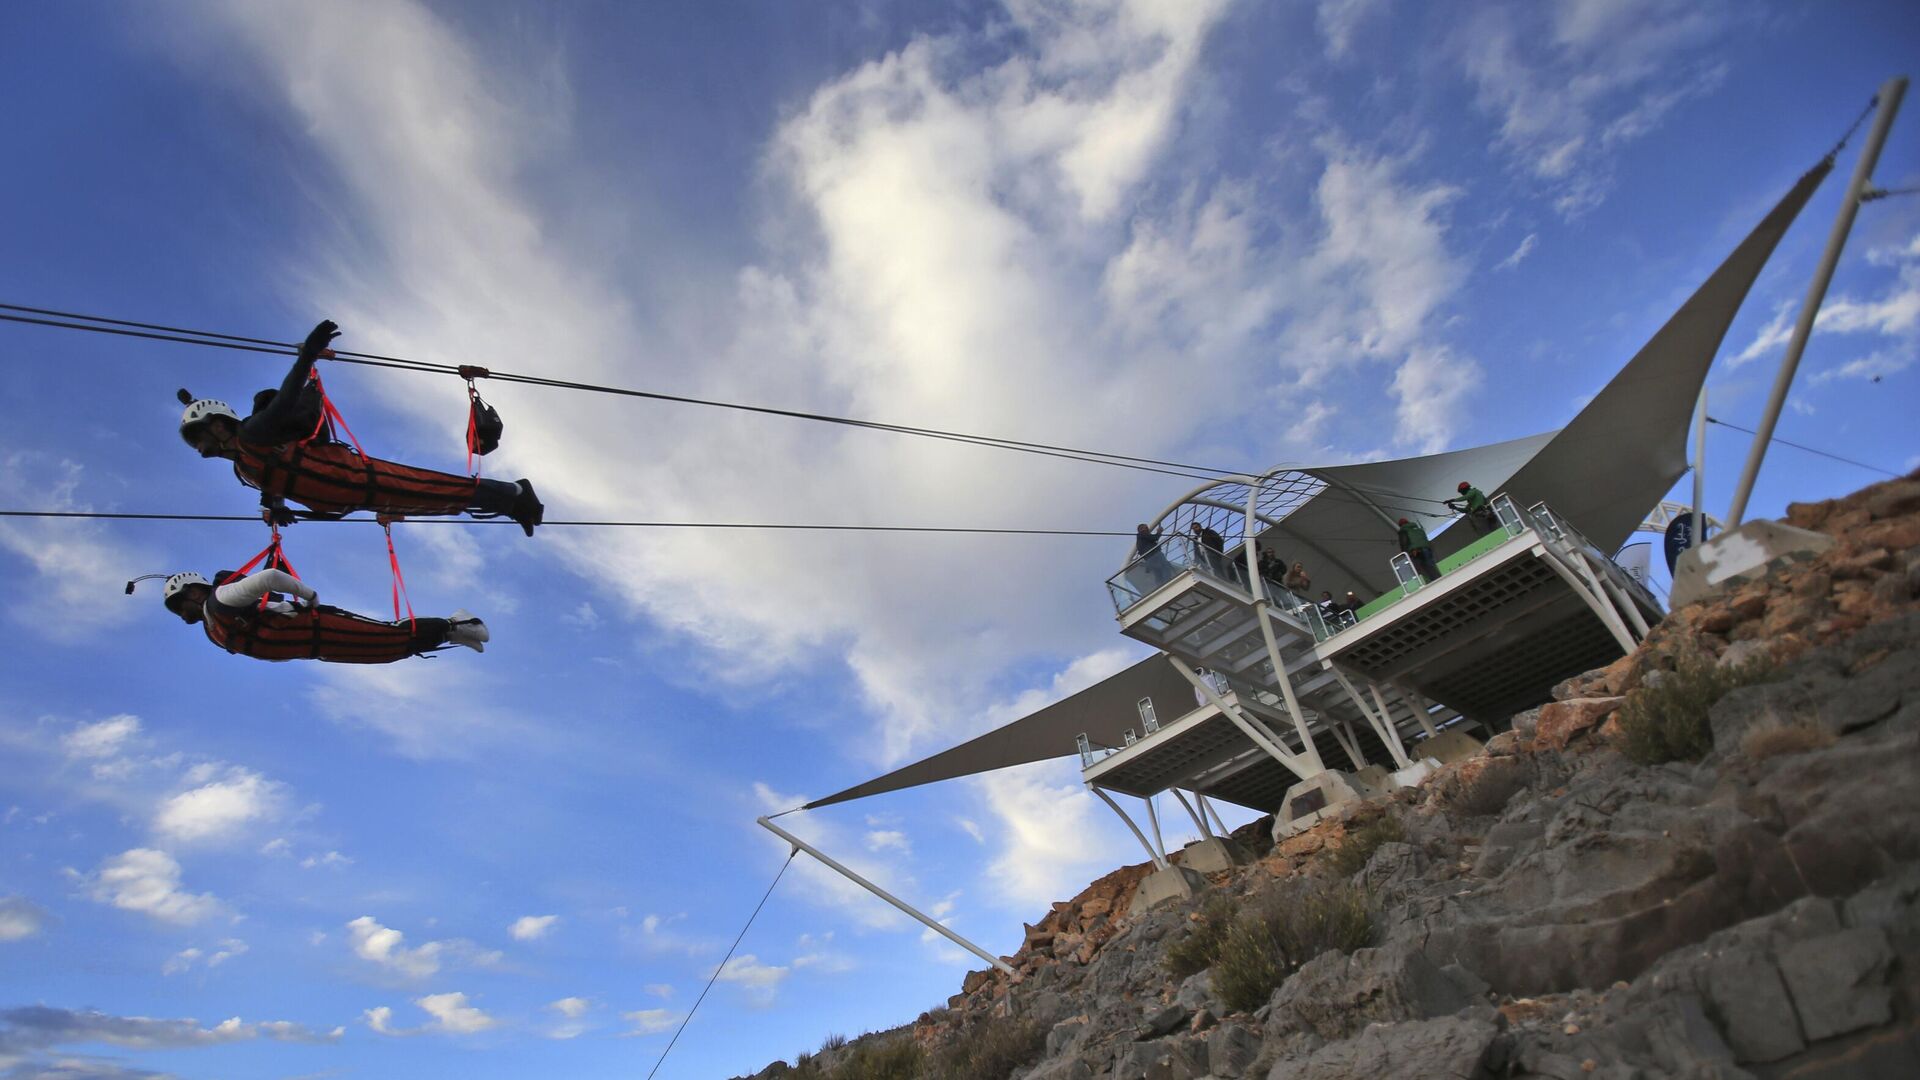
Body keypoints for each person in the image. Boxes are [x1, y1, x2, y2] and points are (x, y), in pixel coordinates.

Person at [178, 320, 545, 536]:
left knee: (438, 487)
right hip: (352, 499)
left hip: (357, 478)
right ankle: (511, 503)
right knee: (439, 503)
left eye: (198, 437)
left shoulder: (253, 434)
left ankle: (516, 493)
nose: (198, 448)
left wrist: (307, 356)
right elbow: (276, 479)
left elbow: (287, 399)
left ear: (219, 425)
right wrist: (275, 505)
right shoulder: (245, 468)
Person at [157, 567, 488, 663]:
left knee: (391, 635)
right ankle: (453, 634)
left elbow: (271, 577)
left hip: (317, 626)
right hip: (316, 647)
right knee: (387, 653)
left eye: (179, 605)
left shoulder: (221, 600)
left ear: (194, 592)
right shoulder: (214, 629)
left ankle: (461, 623)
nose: (181, 614)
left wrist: (310, 596)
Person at [1396, 517, 1441, 583]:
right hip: (1427, 548)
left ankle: (1431, 581)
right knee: (1431, 565)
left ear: (1400, 525)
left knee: (1421, 568)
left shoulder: (1403, 531)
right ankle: (1439, 578)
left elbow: (1404, 542)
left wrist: (1405, 553)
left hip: (1415, 551)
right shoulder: (1419, 529)